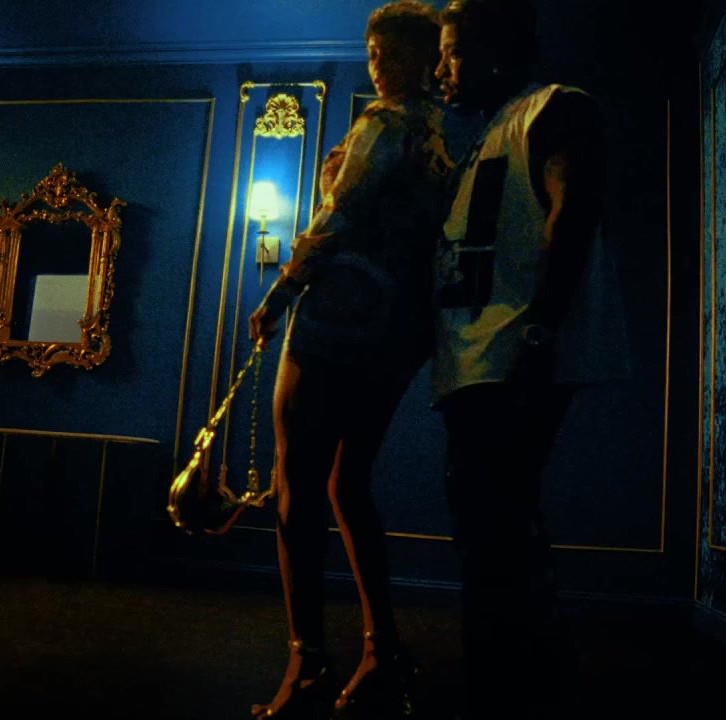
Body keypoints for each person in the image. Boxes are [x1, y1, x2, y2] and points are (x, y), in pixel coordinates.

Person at [246, 1, 454, 717]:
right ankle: (382, 650)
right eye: (372, 54)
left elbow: (338, 216)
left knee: (296, 486)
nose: (378, 66)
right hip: (400, 332)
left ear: (421, 58)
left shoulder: (385, 122)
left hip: (336, 317)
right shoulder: (446, 134)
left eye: (388, 54)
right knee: (348, 484)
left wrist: (279, 294)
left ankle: (307, 663)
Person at [430, 0, 632, 716]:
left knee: (497, 529)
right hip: (476, 361)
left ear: (495, 49)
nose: (440, 69)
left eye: (453, 51)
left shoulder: (555, 109)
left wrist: (540, 334)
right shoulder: (486, 138)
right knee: (488, 529)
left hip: (512, 355)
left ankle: (519, 690)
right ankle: (513, 684)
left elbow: (570, 214)